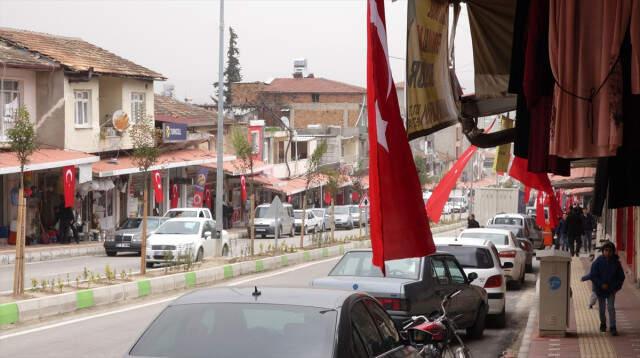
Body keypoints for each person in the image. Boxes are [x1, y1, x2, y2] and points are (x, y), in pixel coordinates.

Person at [581, 241, 625, 336]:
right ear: (602, 251)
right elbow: (593, 275)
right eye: (606, 250)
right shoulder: (597, 262)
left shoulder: (616, 263)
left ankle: (613, 327)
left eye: (610, 251)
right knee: (601, 309)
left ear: (613, 252)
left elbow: (621, 277)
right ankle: (603, 323)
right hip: (600, 290)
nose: (608, 253)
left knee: (611, 308)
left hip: (611, 290)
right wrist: (601, 284)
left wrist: (615, 287)